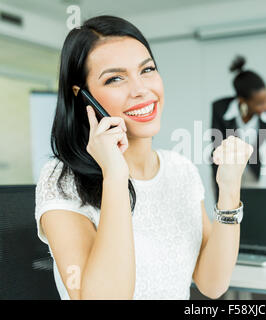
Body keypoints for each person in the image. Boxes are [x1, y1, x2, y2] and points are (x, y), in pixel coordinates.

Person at [34, 16, 253, 300]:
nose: (140, 89)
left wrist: (229, 189)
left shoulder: (180, 170)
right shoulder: (62, 180)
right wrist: (115, 175)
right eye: (115, 78)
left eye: (147, 70)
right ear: (82, 96)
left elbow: (213, 284)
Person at [210, 56, 266, 199]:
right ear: (242, 100)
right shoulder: (220, 109)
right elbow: (217, 150)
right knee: (228, 213)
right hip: (226, 170)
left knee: (250, 212)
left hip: (252, 170)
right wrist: (220, 192)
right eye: (259, 103)